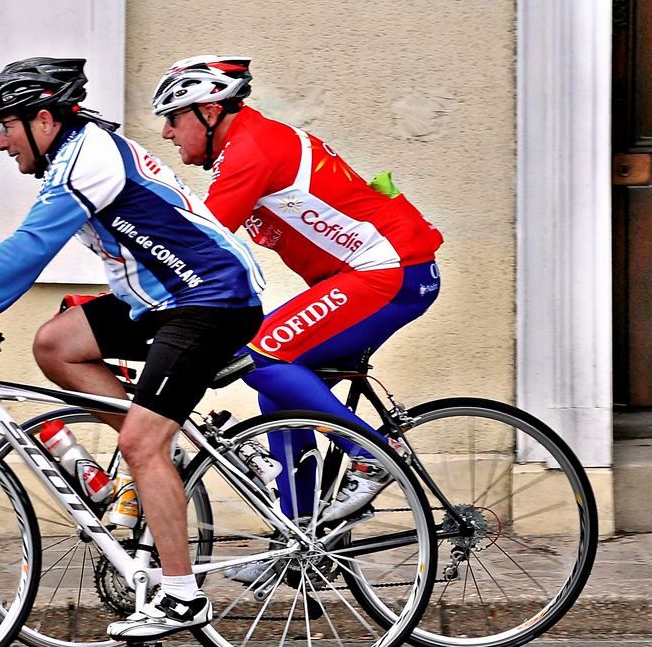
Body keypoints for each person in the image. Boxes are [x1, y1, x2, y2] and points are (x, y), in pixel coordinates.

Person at [0, 57, 266, 640]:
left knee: (141, 442)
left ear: (42, 119)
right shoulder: (76, 154)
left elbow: (25, 251)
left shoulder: (87, 160)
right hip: (161, 301)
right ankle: (160, 453)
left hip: (210, 301)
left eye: (6, 126)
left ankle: (183, 595)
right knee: (56, 344)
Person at [152, 54, 443, 539]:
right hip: (377, 272)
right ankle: (303, 531)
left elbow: (197, 246)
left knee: (259, 356)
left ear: (210, 112)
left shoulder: (250, 151)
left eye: (174, 118)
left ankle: (371, 458)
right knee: (277, 388)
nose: (166, 133)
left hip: (388, 270)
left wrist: (117, 301)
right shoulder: (248, 145)